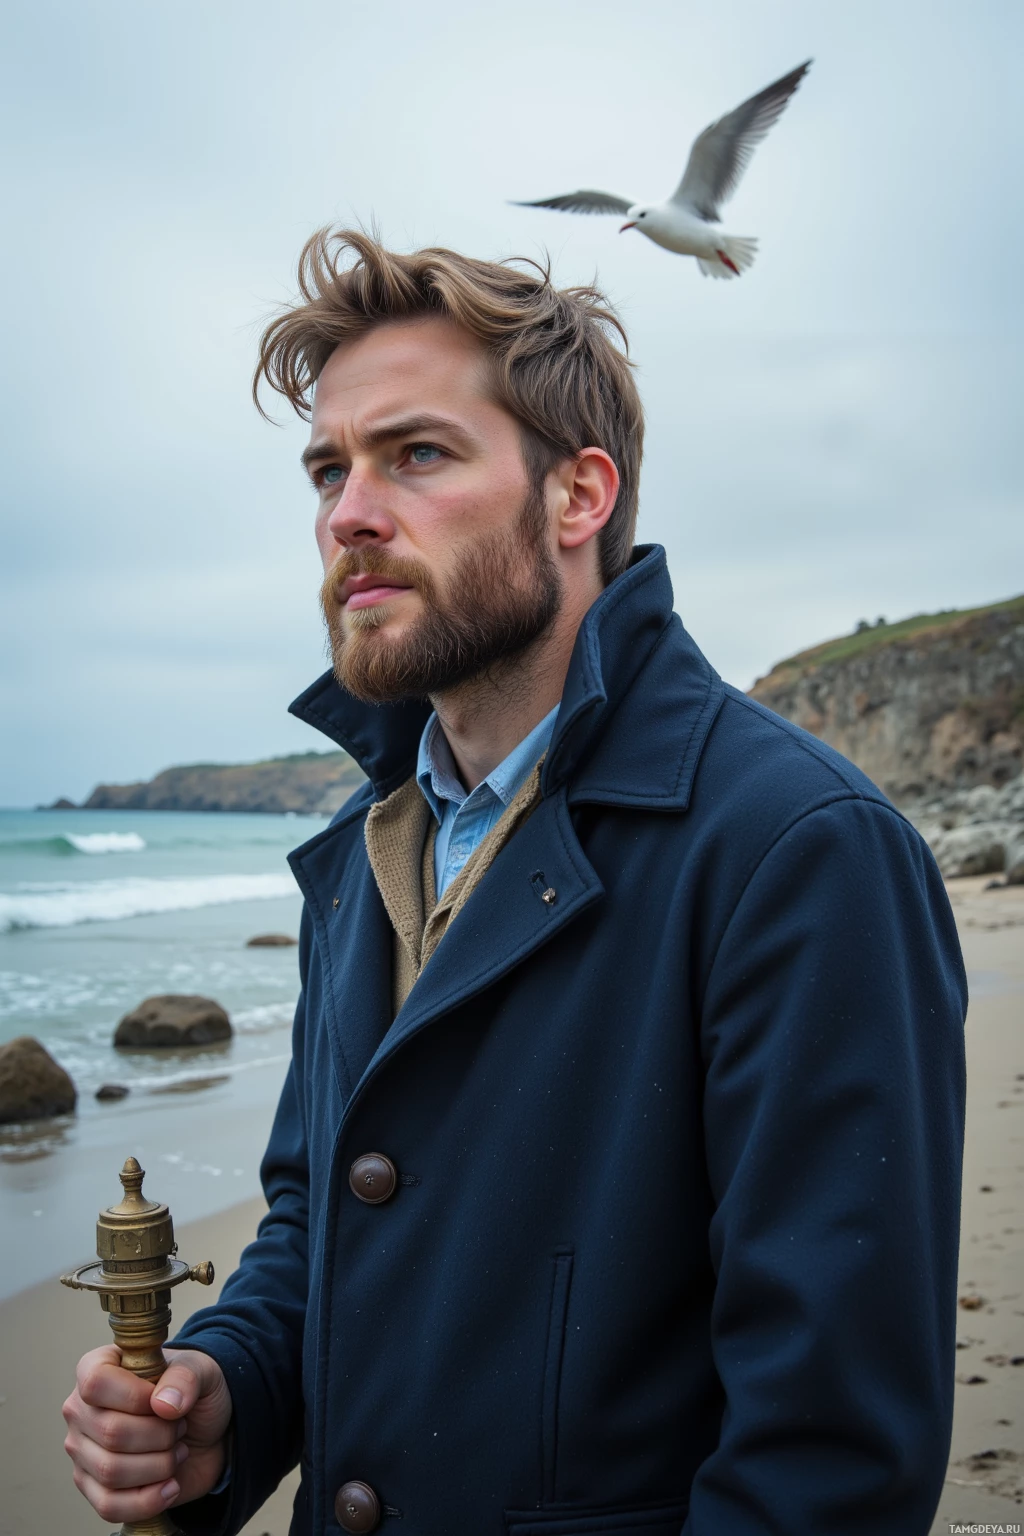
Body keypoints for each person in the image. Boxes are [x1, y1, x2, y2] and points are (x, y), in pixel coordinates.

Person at [62, 230, 967, 1536]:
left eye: (417, 454)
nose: (348, 513)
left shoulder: (797, 850)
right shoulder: (364, 852)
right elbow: (321, 1221)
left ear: (577, 496)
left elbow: (826, 1463)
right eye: (329, 468)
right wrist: (229, 1391)